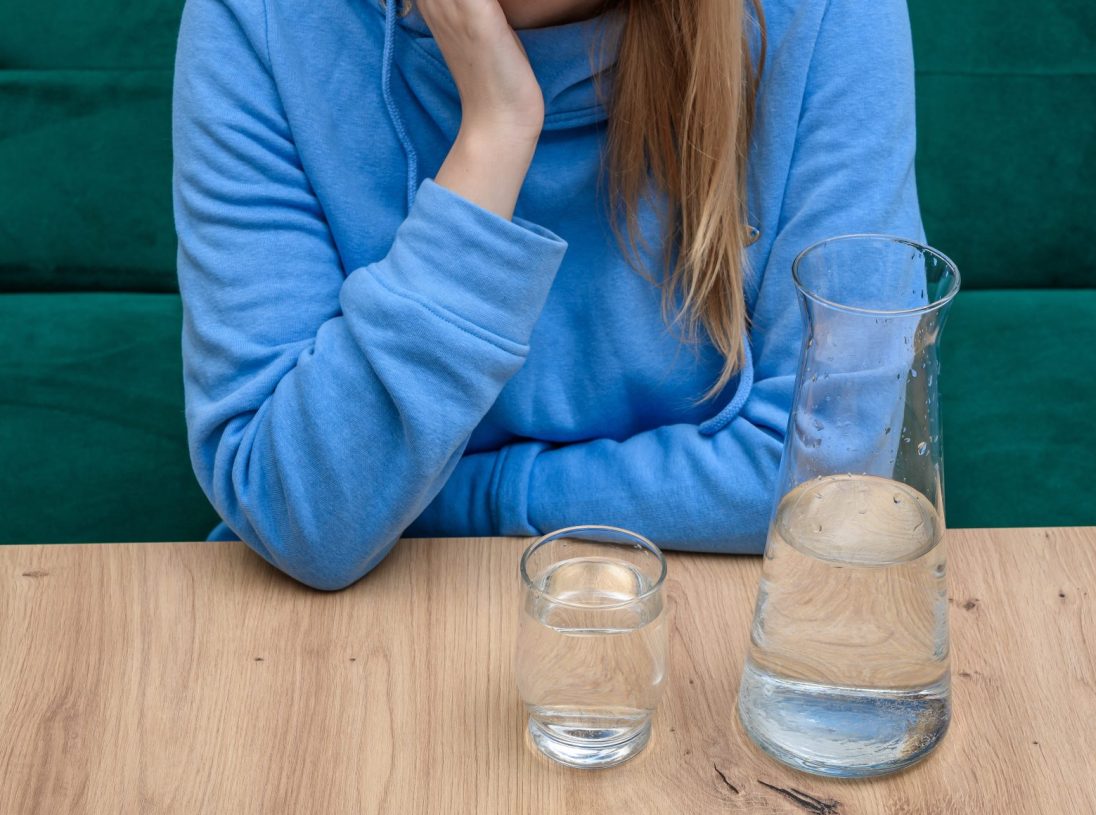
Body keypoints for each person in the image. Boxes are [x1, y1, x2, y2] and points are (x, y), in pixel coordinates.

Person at [172, 0, 924, 591]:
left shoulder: (828, 15)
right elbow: (300, 511)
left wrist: (480, 495)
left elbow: (827, 473)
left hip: (710, 628)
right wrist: (495, 133)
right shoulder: (262, 20)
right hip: (347, 645)